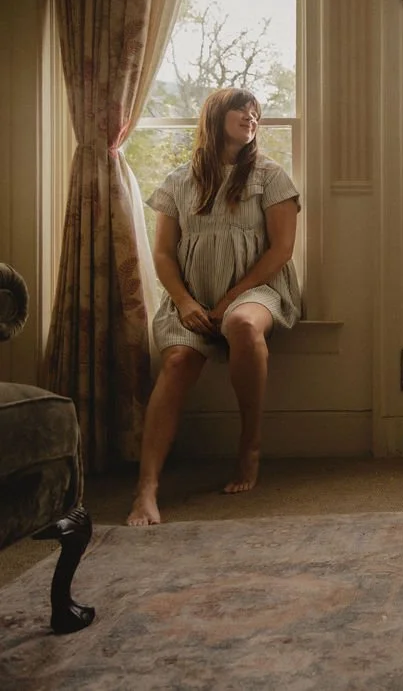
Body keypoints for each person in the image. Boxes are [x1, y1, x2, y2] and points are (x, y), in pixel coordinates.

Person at [127, 87, 301, 526]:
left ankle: (249, 445)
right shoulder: (177, 182)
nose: (251, 117)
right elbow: (163, 254)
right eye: (242, 109)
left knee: (243, 323)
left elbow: (281, 250)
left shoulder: (270, 175)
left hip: (255, 290)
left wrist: (228, 300)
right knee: (178, 362)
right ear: (216, 115)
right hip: (192, 296)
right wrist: (186, 301)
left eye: (256, 113)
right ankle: (146, 488)